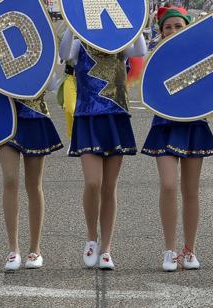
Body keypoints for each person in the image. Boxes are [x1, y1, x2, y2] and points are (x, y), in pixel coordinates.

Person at [59, 26, 147, 270]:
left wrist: (135, 21)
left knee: (109, 187)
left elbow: (140, 49)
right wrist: (72, 24)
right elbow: (65, 53)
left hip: (115, 117)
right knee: (93, 183)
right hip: (87, 117)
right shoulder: (80, 43)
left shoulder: (121, 45)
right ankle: (91, 238)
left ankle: (106, 248)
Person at [141, 7, 213, 272]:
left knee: (191, 190)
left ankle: (190, 249)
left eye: (178, 26)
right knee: (168, 185)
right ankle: (169, 250)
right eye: (168, 27)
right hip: (164, 126)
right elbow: (149, 91)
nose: (173, 30)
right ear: (161, 31)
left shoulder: (200, 56)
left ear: (187, 28)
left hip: (193, 126)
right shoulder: (155, 58)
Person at [0, 73, 63, 272]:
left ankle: (35, 249)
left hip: (35, 116)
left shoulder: (43, 49)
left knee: (33, 184)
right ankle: (13, 249)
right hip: (6, 116)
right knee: (10, 180)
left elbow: (51, 84)